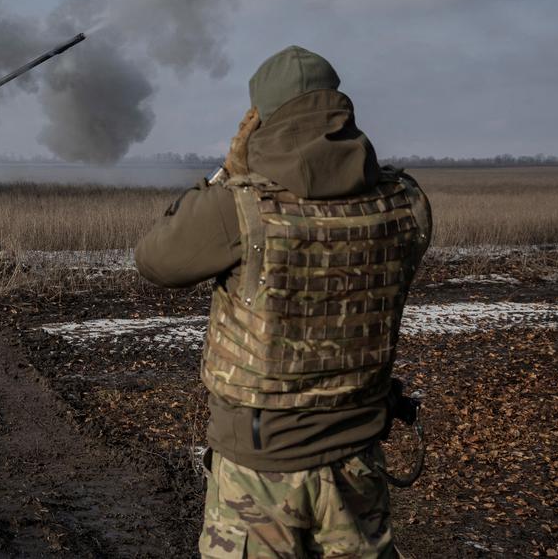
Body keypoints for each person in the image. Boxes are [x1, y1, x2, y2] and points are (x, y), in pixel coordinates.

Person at [135, 46, 431, 558]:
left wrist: (228, 171)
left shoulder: (236, 209)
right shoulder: (407, 201)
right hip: (358, 458)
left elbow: (155, 258)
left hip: (259, 468)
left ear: (262, 121)